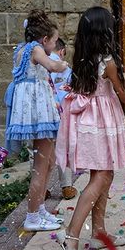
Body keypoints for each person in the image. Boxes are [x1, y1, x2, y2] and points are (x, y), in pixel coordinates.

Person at [55, 7, 125, 250]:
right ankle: (71, 236)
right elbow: (124, 95)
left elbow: (102, 80)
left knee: (104, 174)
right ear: (104, 32)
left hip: (89, 122)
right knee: (101, 176)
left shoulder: (86, 56)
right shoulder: (107, 60)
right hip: (100, 122)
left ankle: (98, 233)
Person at [5, 9, 68, 232]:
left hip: (36, 110)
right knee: (41, 167)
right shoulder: (35, 49)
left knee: (49, 162)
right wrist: (63, 64)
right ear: (44, 40)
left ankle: (39, 208)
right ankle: (32, 216)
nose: (54, 46)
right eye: (53, 41)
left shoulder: (22, 49)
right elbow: (52, 66)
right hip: (38, 113)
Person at [49, 39, 77, 200]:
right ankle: (66, 186)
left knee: (38, 151)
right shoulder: (63, 67)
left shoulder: (36, 61)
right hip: (61, 114)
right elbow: (73, 88)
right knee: (62, 149)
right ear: (62, 51)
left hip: (41, 114)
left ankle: (41, 188)